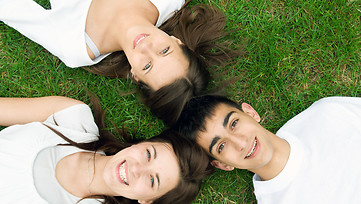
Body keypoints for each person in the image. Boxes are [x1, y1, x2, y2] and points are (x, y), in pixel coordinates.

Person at [0, 96, 211, 204]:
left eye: (152, 180)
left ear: (147, 200)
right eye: (148, 154)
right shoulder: (72, 118)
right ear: (142, 143)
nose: (137, 169)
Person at [0, 0, 241, 125]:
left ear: (135, 75)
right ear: (177, 41)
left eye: (147, 66)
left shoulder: (75, 46)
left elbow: (11, 8)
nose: (146, 47)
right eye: (165, 50)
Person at [174, 94, 361, 204]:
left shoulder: (327, 113)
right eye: (221, 146)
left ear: (250, 112)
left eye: (234, 123)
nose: (240, 142)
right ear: (222, 164)